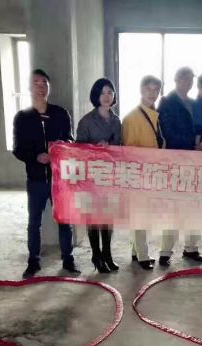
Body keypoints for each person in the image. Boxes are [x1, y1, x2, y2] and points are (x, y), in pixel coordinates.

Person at [13, 68, 79, 278]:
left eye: (44, 83)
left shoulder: (60, 114)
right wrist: (36, 157)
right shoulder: (22, 118)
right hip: (36, 179)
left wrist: (59, 148)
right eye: (36, 83)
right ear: (29, 87)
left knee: (64, 221)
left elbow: (70, 140)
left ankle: (68, 260)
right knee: (34, 222)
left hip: (60, 178)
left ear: (49, 87)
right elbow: (18, 149)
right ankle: (33, 261)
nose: (40, 87)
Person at [156, 66, 202, 267]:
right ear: (176, 80)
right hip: (176, 161)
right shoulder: (167, 102)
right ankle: (165, 251)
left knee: (195, 206)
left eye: (190, 79)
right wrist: (193, 143)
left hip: (196, 162)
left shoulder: (195, 103)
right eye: (184, 78)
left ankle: (191, 248)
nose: (188, 82)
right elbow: (167, 132)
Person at [76, 78, 122, 273]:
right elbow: (78, 151)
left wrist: (110, 147)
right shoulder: (86, 121)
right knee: (93, 217)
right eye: (102, 92)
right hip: (91, 178)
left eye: (110, 92)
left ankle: (107, 254)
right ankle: (96, 255)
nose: (106, 96)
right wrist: (96, 148)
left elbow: (120, 147)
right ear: (96, 95)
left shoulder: (116, 121)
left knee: (108, 218)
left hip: (110, 176)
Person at [121, 74, 164, 270]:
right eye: (148, 88)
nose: (152, 93)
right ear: (141, 90)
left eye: (156, 89)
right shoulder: (132, 118)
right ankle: (143, 255)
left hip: (152, 172)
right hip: (139, 174)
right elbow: (129, 150)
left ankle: (135, 252)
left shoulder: (156, 115)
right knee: (140, 216)